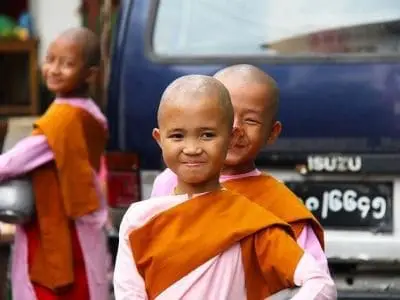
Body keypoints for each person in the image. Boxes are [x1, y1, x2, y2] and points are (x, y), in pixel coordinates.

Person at [113, 74, 336, 299]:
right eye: (178, 135)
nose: (192, 148)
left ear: (229, 137)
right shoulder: (139, 218)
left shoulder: (253, 221)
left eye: (207, 134)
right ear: (160, 139)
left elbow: (319, 283)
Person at [151, 65, 328, 273]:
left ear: (272, 132)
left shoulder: (279, 204)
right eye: (226, 115)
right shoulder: (168, 183)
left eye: (251, 120)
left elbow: (316, 280)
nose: (235, 128)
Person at [0, 27, 110, 299]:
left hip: (58, 227)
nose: (54, 69)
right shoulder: (90, 112)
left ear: (90, 73)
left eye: (68, 63)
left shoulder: (64, 118)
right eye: (50, 59)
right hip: (82, 219)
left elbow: (11, 164)